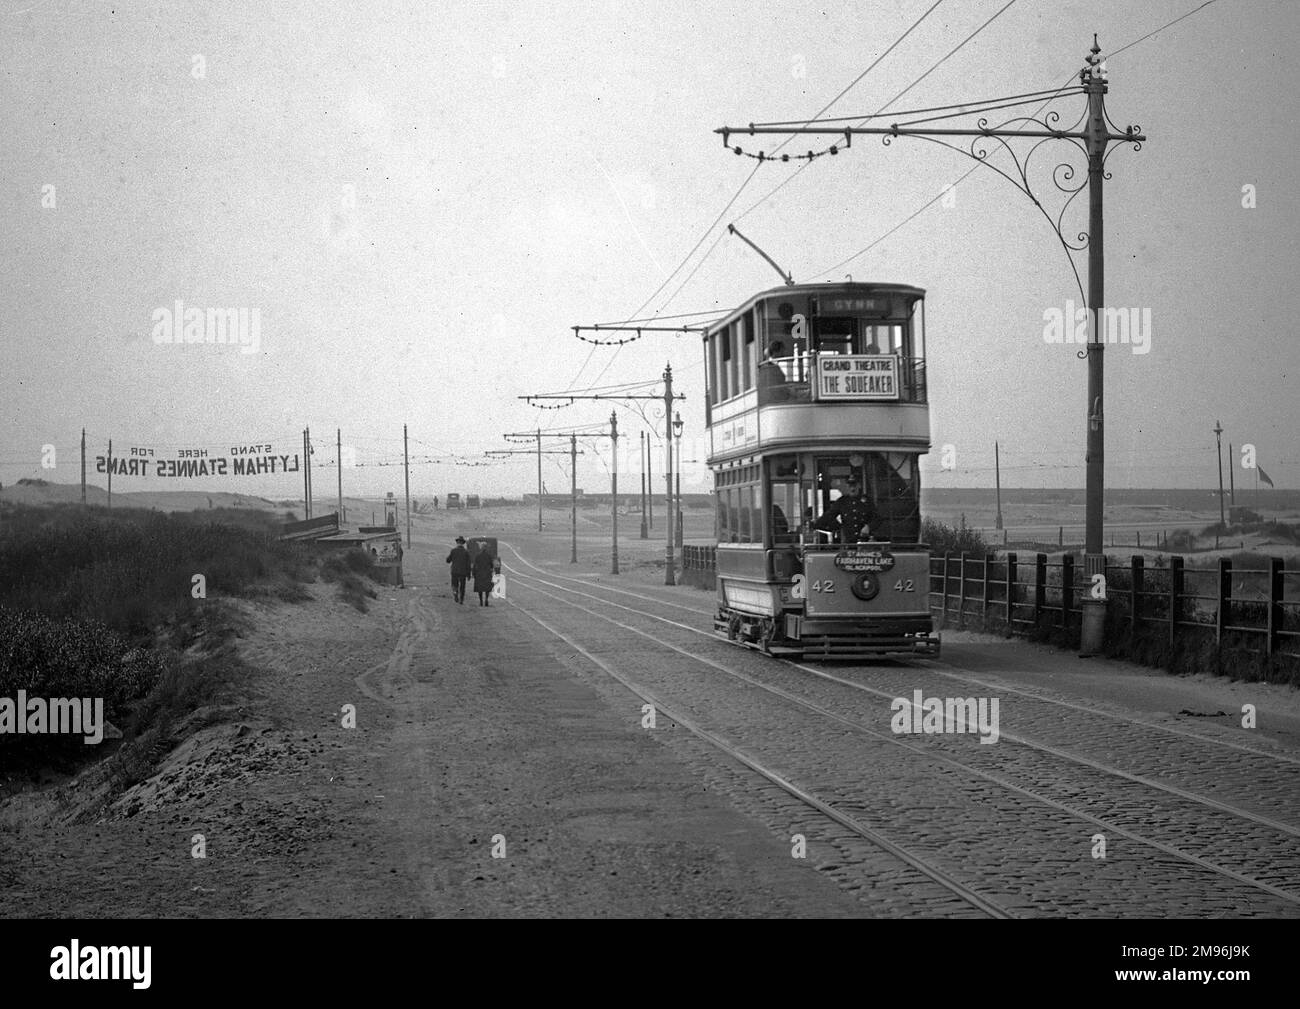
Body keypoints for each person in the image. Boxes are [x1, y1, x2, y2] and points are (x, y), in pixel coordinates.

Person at [813, 476, 875, 543]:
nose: (852, 488)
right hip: (849, 541)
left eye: (854, 485)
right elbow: (828, 516)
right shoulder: (842, 501)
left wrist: (869, 527)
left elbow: (878, 518)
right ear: (847, 486)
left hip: (865, 540)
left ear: (859, 486)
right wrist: (838, 527)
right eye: (850, 485)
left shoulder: (867, 501)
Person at [445, 535, 471, 604]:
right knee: (462, 586)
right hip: (463, 572)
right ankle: (461, 599)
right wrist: (469, 574)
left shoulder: (453, 551)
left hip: (455, 571)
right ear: (463, 543)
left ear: (457, 543)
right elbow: (468, 564)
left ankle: (455, 593)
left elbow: (448, 560)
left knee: (454, 584)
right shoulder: (466, 552)